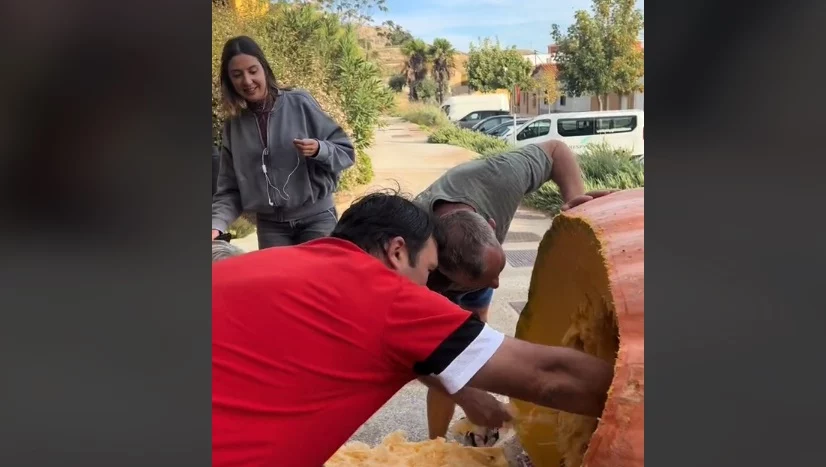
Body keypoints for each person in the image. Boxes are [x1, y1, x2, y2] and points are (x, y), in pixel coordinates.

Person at [212, 192, 614, 467]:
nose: (429, 287)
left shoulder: (278, 265)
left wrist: (466, 393)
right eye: (430, 271)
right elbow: (549, 377)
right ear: (397, 250)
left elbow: (388, 351)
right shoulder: (384, 294)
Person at [414, 139, 614, 440]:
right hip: (432, 292)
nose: (498, 285)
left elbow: (555, 150)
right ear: (435, 263)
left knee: (475, 354)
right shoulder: (410, 254)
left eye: (500, 271)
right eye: (487, 279)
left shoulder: (498, 178)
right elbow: (410, 351)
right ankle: (436, 446)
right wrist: (464, 393)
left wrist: (577, 204)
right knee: (452, 363)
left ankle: (479, 430)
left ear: (491, 224)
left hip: (464, 274)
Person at [211, 35, 355, 249]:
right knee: (280, 283)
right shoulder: (234, 126)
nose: (247, 81)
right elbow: (230, 189)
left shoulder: (300, 103)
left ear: (265, 69)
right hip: (271, 228)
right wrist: (215, 225)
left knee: (318, 281)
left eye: (253, 71)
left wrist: (319, 149)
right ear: (229, 80)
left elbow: (346, 152)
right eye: (237, 75)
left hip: (317, 220)